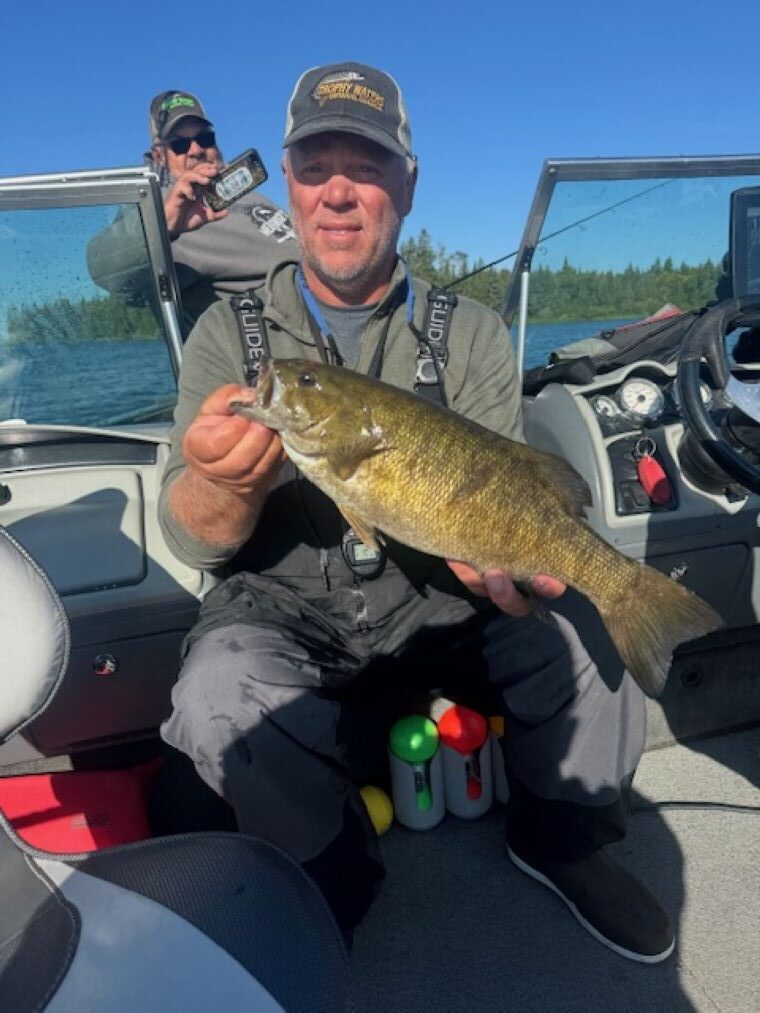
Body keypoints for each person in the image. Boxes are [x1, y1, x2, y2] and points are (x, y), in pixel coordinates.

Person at [157, 61, 674, 963]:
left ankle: (562, 841)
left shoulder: (468, 331)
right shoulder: (224, 337)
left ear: (408, 183)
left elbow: (502, 492)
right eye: (317, 166)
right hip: (286, 610)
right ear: (288, 181)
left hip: (440, 589)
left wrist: (504, 567)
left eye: (368, 165)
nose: (340, 192)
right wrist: (222, 484)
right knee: (215, 691)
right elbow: (192, 540)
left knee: (590, 633)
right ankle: (331, 881)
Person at [87, 90, 297, 334]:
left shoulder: (238, 186)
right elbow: (104, 269)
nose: (196, 150)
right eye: (180, 144)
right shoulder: (161, 206)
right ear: (159, 156)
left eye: (205, 139)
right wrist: (162, 225)